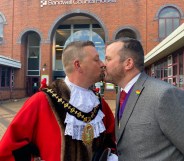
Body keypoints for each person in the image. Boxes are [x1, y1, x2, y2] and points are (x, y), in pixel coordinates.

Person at [0, 41, 117, 161]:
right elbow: (8, 150)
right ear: (78, 65)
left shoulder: (99, 103)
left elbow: (111, 142)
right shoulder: (42, 101)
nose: (102, 64)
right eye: (96, 59)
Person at [104, 37, 184, 161]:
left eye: (108, 59)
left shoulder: (163, 95)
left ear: (128, 64)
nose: (104, 64)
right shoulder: (121, 93)